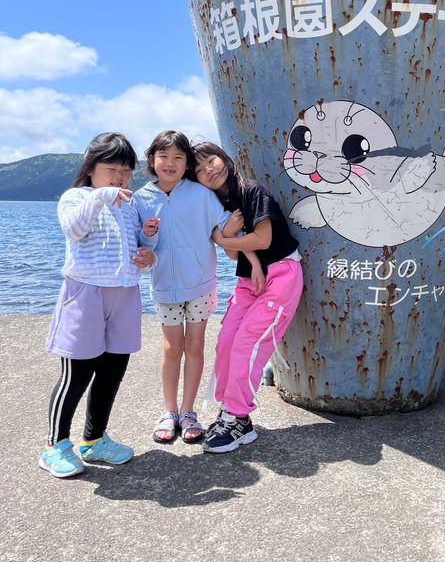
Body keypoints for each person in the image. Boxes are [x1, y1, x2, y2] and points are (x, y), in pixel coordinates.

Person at [40, 132, 155, 478]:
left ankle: (94, 440)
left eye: (125, 170)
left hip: (123, 294)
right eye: (112, 168)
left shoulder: (132, 205)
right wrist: (101, 197)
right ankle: (54, 446)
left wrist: (148, 247)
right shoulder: (75, 197)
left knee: (112, 371)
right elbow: (73, 230)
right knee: (76, 374)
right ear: (91, 168)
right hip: (85, 292)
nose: (120, 176)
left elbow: (138, 250)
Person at [193, 141, 303, 454]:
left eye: (210, 161)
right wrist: (226, 237)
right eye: (199, 170)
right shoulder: (220, 204)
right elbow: (230, 252)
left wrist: (222, 236)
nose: (208, 171)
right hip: (248, 282)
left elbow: (263, 238)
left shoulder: (253, 191)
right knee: (227, 340)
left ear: (223, 158)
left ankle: (238, 417)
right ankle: (230, 410)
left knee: (248, 344)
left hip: (281, 275)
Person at [133, 131, 241, 445]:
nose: (170, 163)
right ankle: (169, 412)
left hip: (200, 284)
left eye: (178, 157)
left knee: (195, 347)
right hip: (164, 286)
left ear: (186, 164)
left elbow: (222, 226)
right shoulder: (141, 199)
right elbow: (142, 250)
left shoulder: (200, 194)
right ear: (152, 159)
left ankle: (188, 411)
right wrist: (148, 237)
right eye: (163, 156)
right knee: (171, 349)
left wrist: (238, 222)